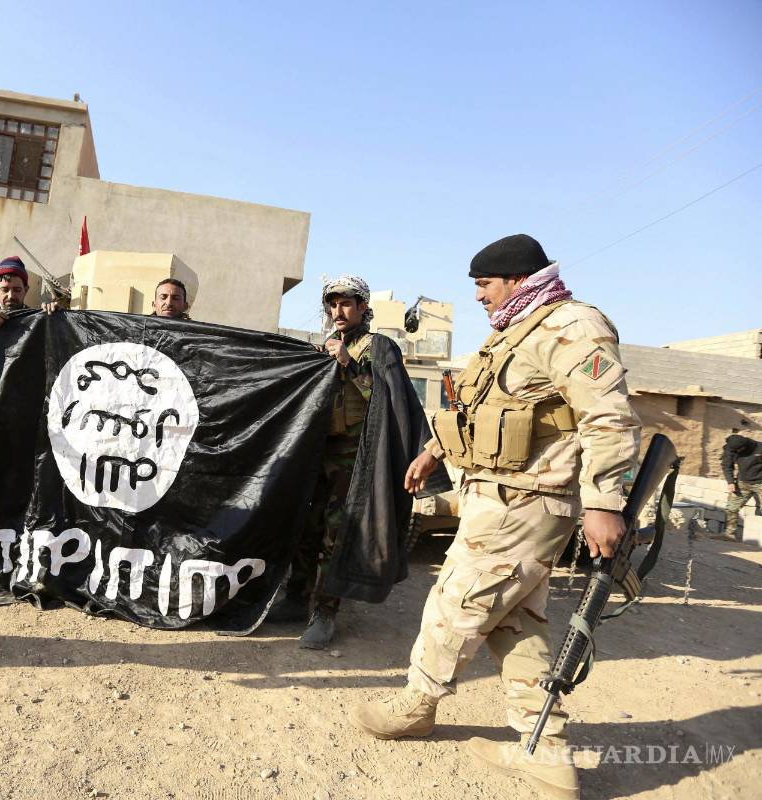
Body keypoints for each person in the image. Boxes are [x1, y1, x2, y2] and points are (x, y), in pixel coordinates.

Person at [352, 234, 641, 799]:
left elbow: (609, 419)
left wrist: (605, 502)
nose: (479, 295)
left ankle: (418, 703)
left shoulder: (571, 327)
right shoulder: (517, 331)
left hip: (525, 503)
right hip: (501, 497)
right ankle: (547, 753)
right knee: (515, 623)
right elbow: (476, 407)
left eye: (484, 284)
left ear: (514, 278)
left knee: (455, 603)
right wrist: (434, 450)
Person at [271, 275, 431, 651]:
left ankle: (324, 612)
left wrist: (349, 366)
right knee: (306, 528)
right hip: (318, 453)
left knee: (335, 534)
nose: (337, 310)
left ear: (362, 307)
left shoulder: (379, 347)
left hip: (355, 457)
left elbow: (386, 398)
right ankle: (297, 597)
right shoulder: (327, 344)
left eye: (346, 303)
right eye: (332, 303)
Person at [723, 433, 762, 539]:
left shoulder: (759, 448)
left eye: (737, 451)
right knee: (731, 508)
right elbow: (727, 465)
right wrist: (730, 481)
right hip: (742, 483)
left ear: (744, 447)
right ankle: (729, 535)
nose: (735, 453)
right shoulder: (730, 449)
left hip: (760, 483)